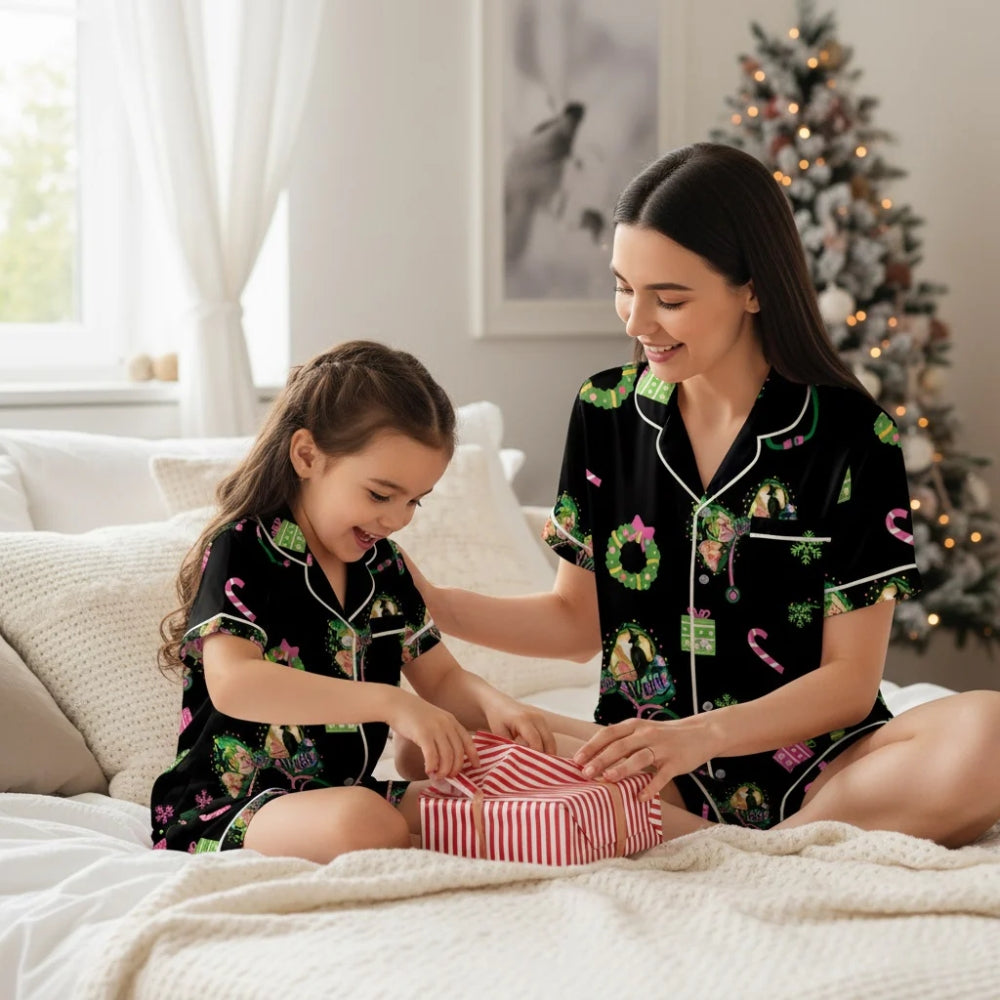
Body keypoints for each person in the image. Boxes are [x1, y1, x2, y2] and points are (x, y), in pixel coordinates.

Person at [404, 142, 1000, 848]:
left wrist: (702, 736)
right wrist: (433, 604)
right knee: (427, 750)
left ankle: (764, 841)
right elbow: (573, 624)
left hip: (823, 764)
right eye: (624, 286)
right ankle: (727, 833)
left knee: (988, 733)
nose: (635, 321)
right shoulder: (606, 413)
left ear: (752, 288)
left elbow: (848, 680)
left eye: (670, 298)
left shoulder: (849, 433)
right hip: (646, 763)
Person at [150, 341, 556, 863]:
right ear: (306, 455)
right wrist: (392, 703)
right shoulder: (242, 547)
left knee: (498, 800)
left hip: (349, 794)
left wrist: (497, 706)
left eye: (414, 500)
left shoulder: (384, 566)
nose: (397, 518)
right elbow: (234, 684)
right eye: (380, 495)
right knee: (364, 822)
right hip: (227, 807)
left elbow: (443, 680)